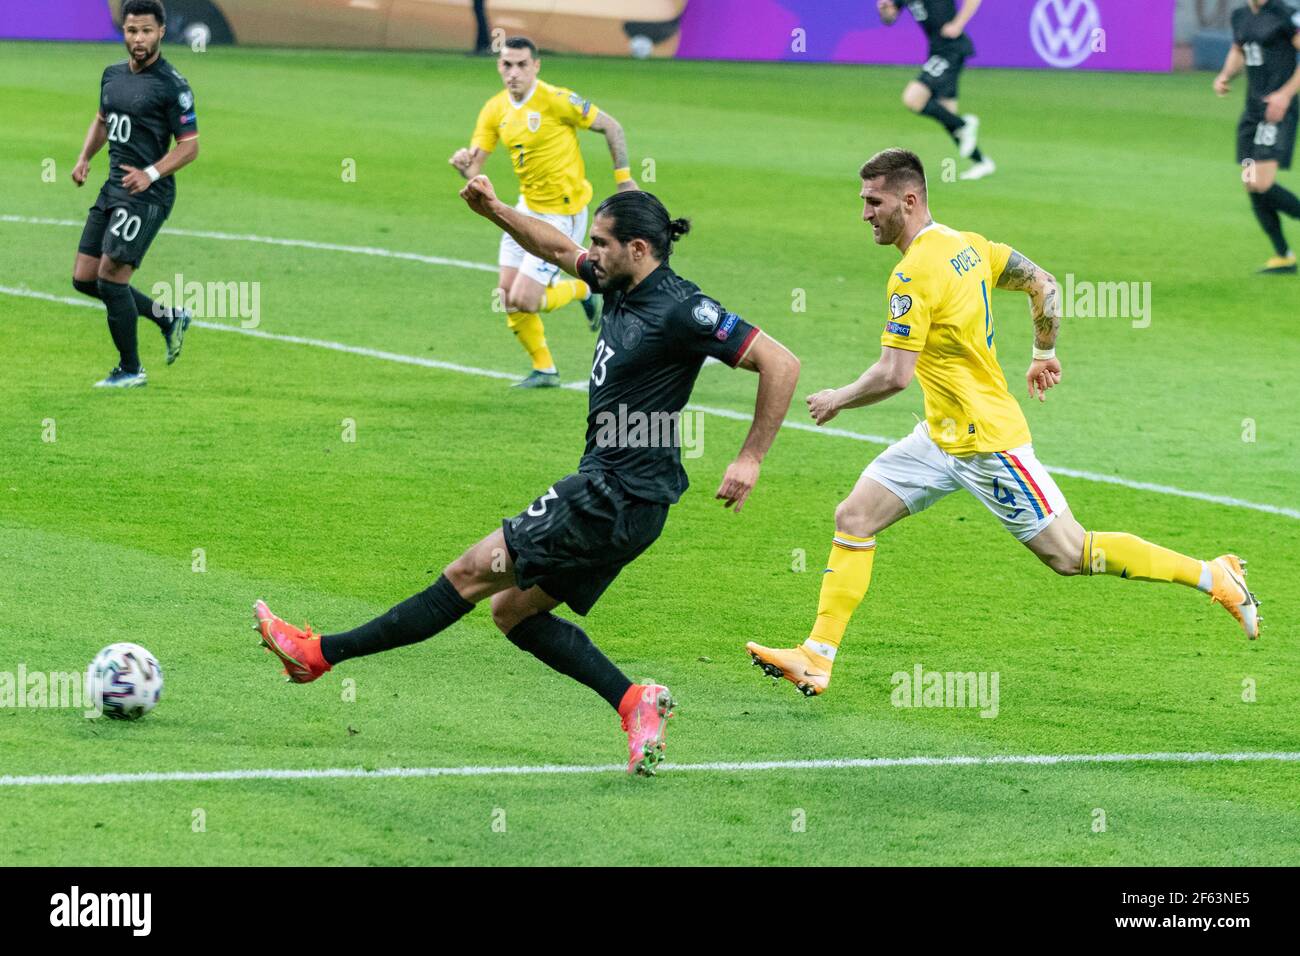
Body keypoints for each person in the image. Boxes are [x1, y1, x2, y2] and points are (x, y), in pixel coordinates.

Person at [254, 180, 801, 775]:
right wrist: (493, 210)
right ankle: (633, 702)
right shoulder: (617, 280)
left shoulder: (681, 309)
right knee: (513, 613)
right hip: (631, 502)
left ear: (640, 249)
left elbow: (781, 361)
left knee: (467, 575)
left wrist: (750, 457)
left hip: (612, 495)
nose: (589, 252)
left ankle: (315, 656)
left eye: (602, 242)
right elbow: (555, 249)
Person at [746, 148, 1260, 698]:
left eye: (874, 202)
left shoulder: (911, 274)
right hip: (940, 434)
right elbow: (1044, 283)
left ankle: (1214, 575)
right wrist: (1044, 351)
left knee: (1071, 554)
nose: (865, 214)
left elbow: (895, 376)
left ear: (909, 200)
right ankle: (816, 658)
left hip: (983, 443)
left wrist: (836, 399)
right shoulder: (967, 246)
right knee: (854, 515)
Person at [449, 36, 638, 387]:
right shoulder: (494, 109)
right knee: (507, 296)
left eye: (522, 65)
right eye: (507, 65)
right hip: (526, 209)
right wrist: (464, 165)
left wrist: (624, 180)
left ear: (536, 66)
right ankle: (545, 369)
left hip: (561, 215)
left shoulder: (557, 100)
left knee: (526, 299)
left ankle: (586, 289)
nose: (514, 72)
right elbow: (475, 169)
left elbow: (611, 126)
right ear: (499, 67)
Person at [70, 0, 198, 388]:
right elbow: (103, 121)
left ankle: (130, 370)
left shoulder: (173, 86)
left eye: (145, 31)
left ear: (161, 31)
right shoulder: (111, 76)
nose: (138, 39)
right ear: (123, 32)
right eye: (131, 31)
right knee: (83, 278)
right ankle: (167, 316)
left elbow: (189, 146)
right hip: (113, 188)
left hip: (148, 195)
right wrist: (84, 157)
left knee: (110, 279)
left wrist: (151, 172)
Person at [1214, 0, 1300, 273]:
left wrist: (1285, 95)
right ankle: (1283, 255)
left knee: (1261, 182)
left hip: (1276, 111)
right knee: (1250, 181)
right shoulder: (1240, 15)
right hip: (1252, 112)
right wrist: (1226, 75)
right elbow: (1239, 50)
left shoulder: (1286, 15)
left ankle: (1284, 255)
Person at [876, 0, 995, 181]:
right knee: (947, 112)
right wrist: (884, 7)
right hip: (937, 50)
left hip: (951, 49)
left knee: (913, 98)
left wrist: (958, 23)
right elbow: (889, 19)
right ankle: (981, 162)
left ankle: (964, 124)